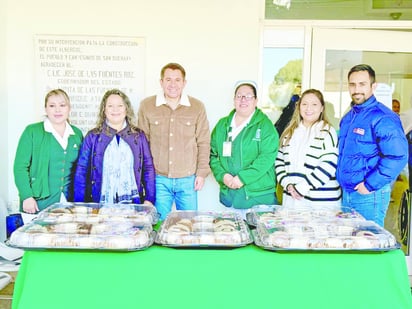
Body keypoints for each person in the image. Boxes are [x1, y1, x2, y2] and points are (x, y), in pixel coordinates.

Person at [337, 64, 408, 226]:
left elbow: (398, 156)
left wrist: (369, 185)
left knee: (368, 243)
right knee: (352, 243)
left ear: (373, 86)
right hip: (347, 193)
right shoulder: (349, 117)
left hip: (369, 195)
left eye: (362, 84)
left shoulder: (383, 117)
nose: (357, 89)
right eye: (352, 84)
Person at [138, 63, 210, 219]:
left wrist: (202, 173)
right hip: (158, 179)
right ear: (161, 82)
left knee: (190, 225)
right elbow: (142, 145)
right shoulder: (147, 106)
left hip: (188, 179)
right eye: (168, 79)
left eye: (177, 80)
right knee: (158, 224)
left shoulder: (197, 107)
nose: (172, 84)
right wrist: (144, 177)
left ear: (184, 83)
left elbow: (203, 142)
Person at [210, 81, 279, 219]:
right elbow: (212, 155)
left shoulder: (265, 126)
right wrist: (223, 176)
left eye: (248, 96)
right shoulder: (222, 125)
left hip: (258, 197)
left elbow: (266, 158)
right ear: (234, 100)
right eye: (239, 96)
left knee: (259, 237)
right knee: (231, 234)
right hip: (230, 196)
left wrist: (242, 178)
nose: (243, 100)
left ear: (256, 101)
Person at [74, 89, 155, 205]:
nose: (115, 110)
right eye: (110, 106)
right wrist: (79, 204)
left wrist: (149, 198)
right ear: (104, 110)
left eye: (120, 106)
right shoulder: (93, 136)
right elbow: (81, 171)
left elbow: (148, 168)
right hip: (100, 204)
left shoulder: (139, 136)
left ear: (126, 109)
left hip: (133, 204)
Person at [13, 89, 83, 214]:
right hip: (37, 203)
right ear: (46, 109)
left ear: (69, 108)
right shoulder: (32, 131)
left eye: (62, 105)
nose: (57, 110)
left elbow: (81, 169)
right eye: (52, 106)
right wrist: (27, 196)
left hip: (69, 203)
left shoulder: (76, 134)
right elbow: (20, 167)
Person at [275, 89, 341, 208]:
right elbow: (279, 162)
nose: (308, 108)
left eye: (314, 104)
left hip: (320, 204)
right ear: (298, 107)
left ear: (322, 108)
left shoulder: (327, 131)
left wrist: (301, 188)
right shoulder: (289, 133)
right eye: (304, 104)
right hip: (292, 201)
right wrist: (288, 184)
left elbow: (329, 165)